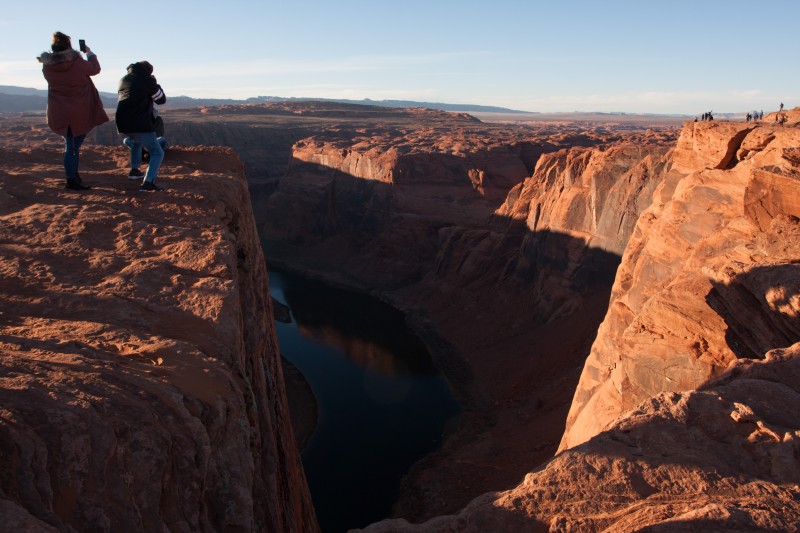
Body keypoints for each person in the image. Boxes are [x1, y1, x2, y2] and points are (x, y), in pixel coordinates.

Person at [37, 32, 109, 191]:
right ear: (69, 46)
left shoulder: (47, 65)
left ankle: (73, 175)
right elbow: (95, 69)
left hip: (58, 111)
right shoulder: (77, 62)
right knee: (73, 147)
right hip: (79, 110)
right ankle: (72, 180)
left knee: (70, 144)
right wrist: (89, 53)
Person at [115, 61, 168, 192]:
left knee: (136, 142)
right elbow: (161, 99)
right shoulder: (146, 79)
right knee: (157, 152)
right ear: (148, 71)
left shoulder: (124, 79)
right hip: (140, 121)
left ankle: (134, 171)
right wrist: (154, 83)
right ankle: (148, 183)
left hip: (122, 121)